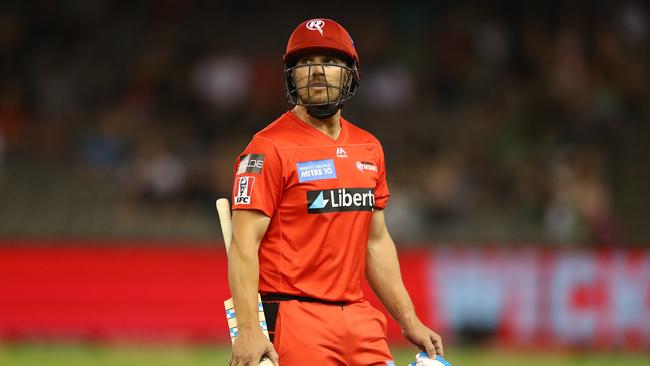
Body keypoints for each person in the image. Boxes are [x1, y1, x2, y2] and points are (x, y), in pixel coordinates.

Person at [227, 18, 443, 366]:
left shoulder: (369, 148)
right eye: (304, 64)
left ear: (350, 74)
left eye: (329, 62)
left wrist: (408, 319)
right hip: (295, 319)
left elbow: (376, 242)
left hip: (360, 317)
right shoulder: (267, 148)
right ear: (291, 76)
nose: (316, 72)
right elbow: (243, 243)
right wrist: (249, 329)